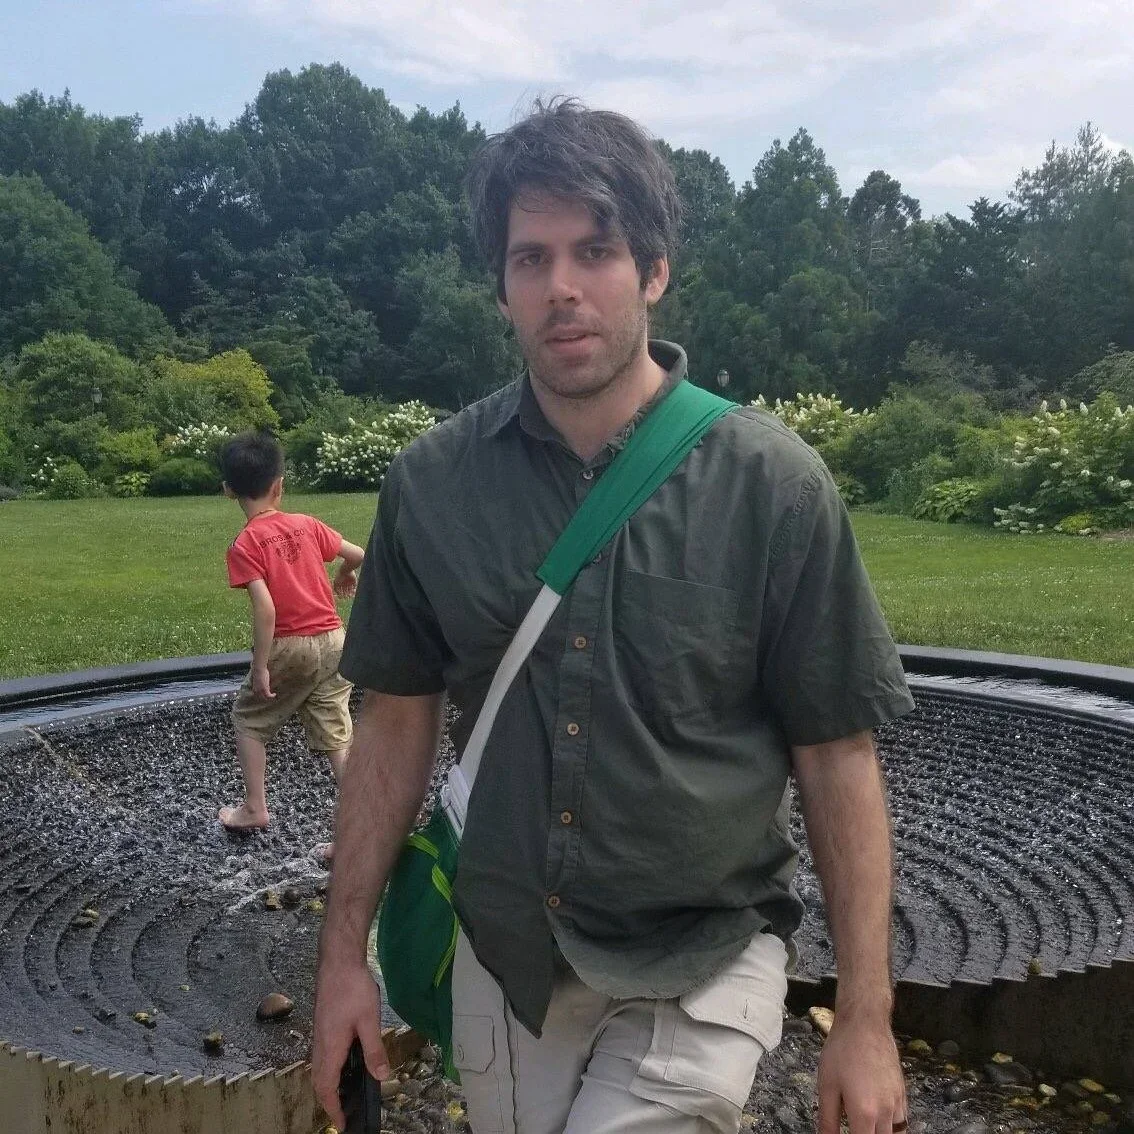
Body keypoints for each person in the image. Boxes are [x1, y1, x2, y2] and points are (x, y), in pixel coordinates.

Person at [312, 99, 916, 1134]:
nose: (562, 288)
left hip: (704, 950)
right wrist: (341, 961)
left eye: (594, 250)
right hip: (506, 953)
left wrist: (865, 1018)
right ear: (500, 287)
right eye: (530, 258)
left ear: (654, 269)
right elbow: (394, 724)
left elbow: (836, 753)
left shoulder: (773, 484)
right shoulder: (432, 484)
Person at [217, 430, 364, 841]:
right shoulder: (307, 525)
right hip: (335, 639)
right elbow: (358, 556)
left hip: (289, 644)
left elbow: (266, 609)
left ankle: (254, 807)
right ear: (280, 484)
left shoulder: (245, 543)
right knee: (336, 732)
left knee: (248, 720)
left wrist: (261, 665)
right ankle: (361, 823)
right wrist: (346, 572)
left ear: (229, 490)